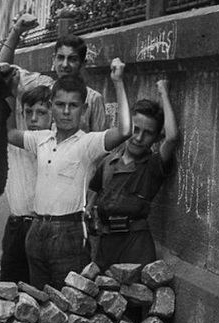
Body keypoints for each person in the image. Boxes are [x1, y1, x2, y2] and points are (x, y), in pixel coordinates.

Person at [7, 59, 131, 290]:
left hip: (69, 233)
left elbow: (125, 131)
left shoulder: (87, 143)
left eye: (73, 106)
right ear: (52, 107)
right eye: (60, 104)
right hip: (36, 231)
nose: (65, 112)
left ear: (83, 110)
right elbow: (11, 133)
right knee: (38, 305)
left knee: (69, 305)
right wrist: (8, 91)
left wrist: (118, 82)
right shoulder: (41, 138)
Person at [89, 80, 180, 269]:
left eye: (147, 133)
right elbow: (92, 194)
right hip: (106, 243)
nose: (138, 138)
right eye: (135, 129)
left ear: (155, 138)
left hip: (136, 244)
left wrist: (163, 92)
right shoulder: (108, 162)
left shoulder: (153, 166)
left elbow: (171, 138)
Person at [0, 14, 108, 133]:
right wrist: (16, 31)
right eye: (61, 58)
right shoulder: (40, 85)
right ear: (53, 59)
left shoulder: (93, 99)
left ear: (83, 63)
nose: (65, 64)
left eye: (72, 59)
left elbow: (100, 142)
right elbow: (3, 70)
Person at [0, 85, 53, 283]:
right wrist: (9, 90)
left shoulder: (56, 144)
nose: (33, 119)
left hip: (45, 227)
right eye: (28, 112)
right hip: (17, 226)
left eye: (41, 113)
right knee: (10, 288)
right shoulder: (14, 144)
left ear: (52, 115)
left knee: (42, 288)